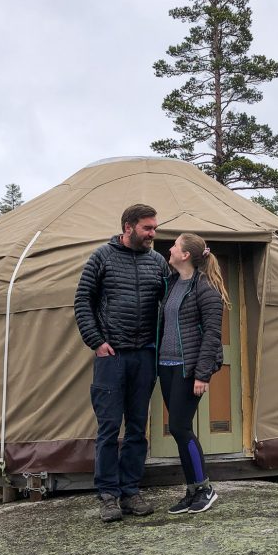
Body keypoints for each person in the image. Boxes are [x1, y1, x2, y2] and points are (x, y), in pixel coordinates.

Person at [74, 204, 169, 523]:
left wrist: (199, 261)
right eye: (147, 228)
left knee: (137, 429)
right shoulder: (102, 257)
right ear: (128, 227)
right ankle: (108, 496)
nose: (153, 234)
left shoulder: (157, 262)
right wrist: (96, 342)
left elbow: (172, 300)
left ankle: (130, 491)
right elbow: (82, 300)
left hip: (144, 355)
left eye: (154, 227)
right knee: (109, 426)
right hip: (111, 356)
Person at [158, 233, 229, 514]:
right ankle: (191, 491)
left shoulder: (206, 288)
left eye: (174, 245)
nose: (170, 249)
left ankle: (204, 488)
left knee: (179, 427)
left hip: (189, 370)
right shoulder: (172, 283)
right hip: (166, 366)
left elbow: (213, 335)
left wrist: (203, 375)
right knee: (178, 430)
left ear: (185, 255)